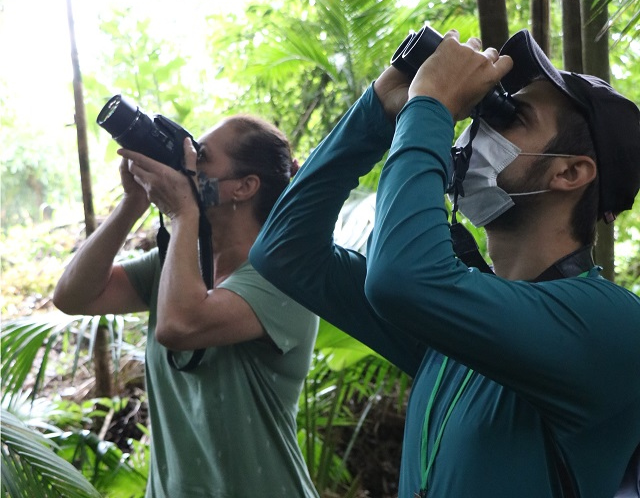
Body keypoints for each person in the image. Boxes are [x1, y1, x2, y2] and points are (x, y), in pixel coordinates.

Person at [249, 28, 640, 497]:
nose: (480, 126)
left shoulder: (610, 323)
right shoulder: (461, 321)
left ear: (570, 172)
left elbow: (402, 279)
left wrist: (430, 106)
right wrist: (378, 110)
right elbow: (284, 250)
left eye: (512, 116)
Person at [53, 114, 320, 498]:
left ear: (244, 186)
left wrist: (182, 215)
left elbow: (179, 327)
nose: (188, 164)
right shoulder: (179, 265)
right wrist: (134, 202)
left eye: (203, 157)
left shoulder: (283, 279)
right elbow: (72, 296)